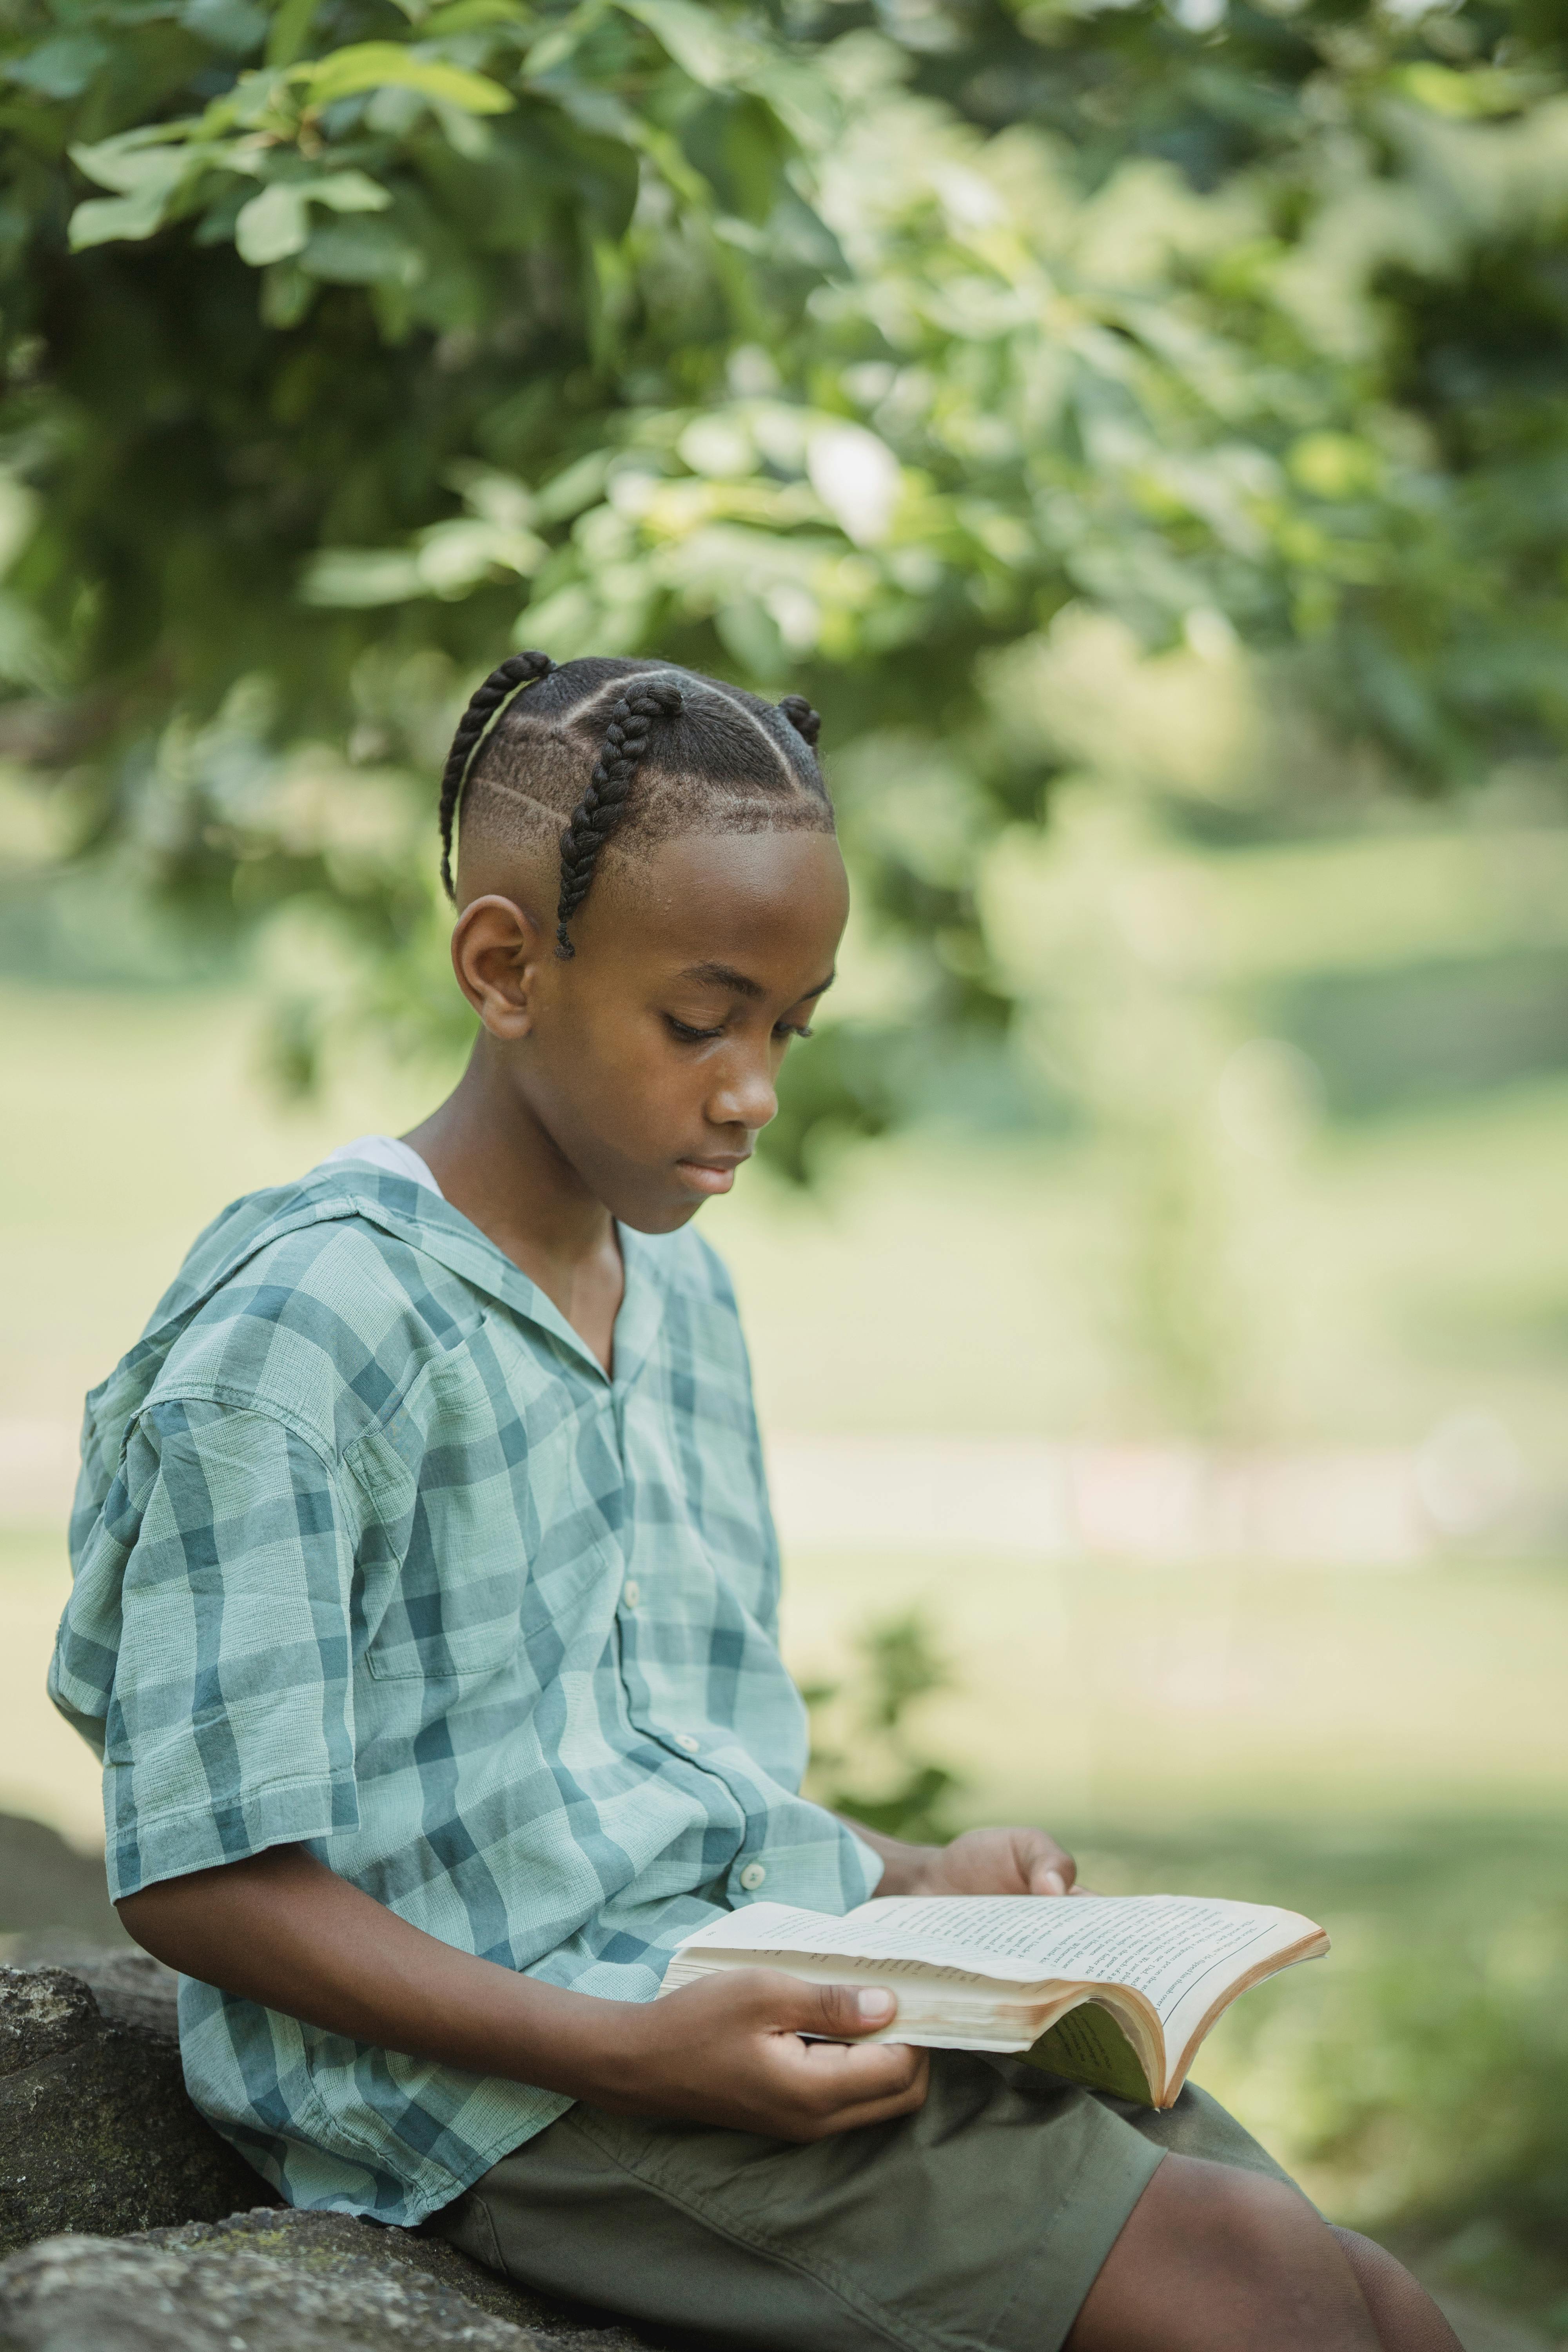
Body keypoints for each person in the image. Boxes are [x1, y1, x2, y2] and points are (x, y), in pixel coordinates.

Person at [50, 653, 1460, 2352]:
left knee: (1364, 2295)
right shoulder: (304, 1335)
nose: (753, 1093)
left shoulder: (672, 1287)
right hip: (519, 2090)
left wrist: (913, 1874)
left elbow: (637, 1765)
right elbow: (195, 1878)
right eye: (699, 1019)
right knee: (1252, 2300)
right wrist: (628, 2052)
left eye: (789, 1027)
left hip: (741, 1987)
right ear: (505, 964)